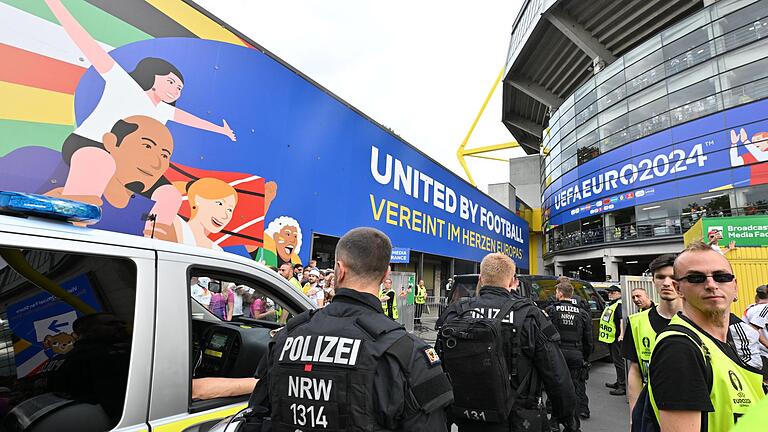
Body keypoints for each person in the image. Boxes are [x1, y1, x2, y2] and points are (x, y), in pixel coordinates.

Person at [43, 0, 235, 233]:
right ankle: (69, 224)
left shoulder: (163, 110)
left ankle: (155, 240)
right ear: (153, 75)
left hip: (133, 161)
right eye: (171, 81)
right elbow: (89, 46)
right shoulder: (124, 84)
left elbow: (190, 119)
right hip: (93, 144)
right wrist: (55, 5)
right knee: (100, 164)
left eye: (180, 88)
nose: (176, 89)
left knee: (170, 195)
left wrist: (221, 130)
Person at [250, 227, 453, 431]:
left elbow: (257, 417)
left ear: (339, 269)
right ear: (386, 275)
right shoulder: (407, 354)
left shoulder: (286, 337)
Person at [436, 253, 576, 432]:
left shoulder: (457, 311)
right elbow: (557, 375)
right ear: (512, 281)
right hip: (518, 418)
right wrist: (566, 417)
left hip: (468, 417)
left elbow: (438, 367)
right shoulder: (530, 315)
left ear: (481, 278)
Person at [648, 242, 765, 431]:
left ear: (735, 286)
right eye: (696, 278)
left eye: (721, 277)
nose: (711, 285)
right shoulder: (679, 349)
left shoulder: (732, 338)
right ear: (678, 289)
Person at [622, 254, 683, 416]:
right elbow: (635, 371)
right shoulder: (636, 322)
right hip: (651, 412)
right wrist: (634, 417)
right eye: (661, 277)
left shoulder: (699, 320)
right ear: (653, 281)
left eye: (673, 277)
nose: (667, 283)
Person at [544, 281, 592, 424]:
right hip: (576, 353)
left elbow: (545, 334)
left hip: (557, 353)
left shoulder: (551, 310)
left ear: (559, 293)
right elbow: (588, 340)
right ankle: (573, 420)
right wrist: (585, 357)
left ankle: (554, 421)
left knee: (555, 385)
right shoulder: (582, 313)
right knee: (575, 385)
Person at [600, 285, 625, 395]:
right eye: (609, 292)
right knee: (616, 361)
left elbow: (621, 320)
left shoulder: (618, 305)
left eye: (613, 292)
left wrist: (621, 335)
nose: (610, 294)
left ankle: (623, 386)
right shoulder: (612, 304)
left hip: (617, 338)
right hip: (612, 338)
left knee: (619, 362)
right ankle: (619, 382)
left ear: (619, 293)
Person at [743, 284, 768, 351]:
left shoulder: (749, 309)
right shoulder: (765, 308)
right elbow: (754, 328)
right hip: (764, 353)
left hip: (752, 350)